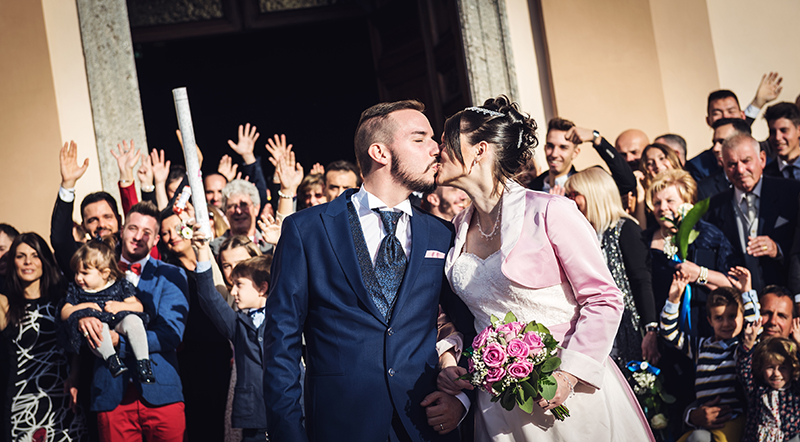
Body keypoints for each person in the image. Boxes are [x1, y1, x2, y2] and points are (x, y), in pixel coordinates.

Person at [435, 96, 653, 441]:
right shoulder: (457, 226)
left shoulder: (551, 211)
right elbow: (456, 314)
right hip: (497, 405)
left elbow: (605, 299)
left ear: (480, 150)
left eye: (447, 140)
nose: (437, 149)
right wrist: (451, 357)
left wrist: (567, 376)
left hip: (566, 394)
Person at [264, 99, 472, 441]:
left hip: (425, 423)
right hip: (340, 424)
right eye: (420, 138)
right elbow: (281, 341)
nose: (437, 148)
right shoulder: (308, 230)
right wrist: (288, 433)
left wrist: (461, 399)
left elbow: (469, 323)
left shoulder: (442, 233)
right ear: (380, 152)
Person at [76, 201, 189, 442]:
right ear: (122, 229)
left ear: (156, 239)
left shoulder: (171, 274)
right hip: (110, 394)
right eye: (133, 228)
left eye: (147, 232)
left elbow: (171, 334)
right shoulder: (95, 269)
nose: (138, 236)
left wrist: (117, 341)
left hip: (161, 392)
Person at [564, 168, 659, 366]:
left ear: (594, 194)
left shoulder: (625, 229)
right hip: (590, 327)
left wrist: (651, 329)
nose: (570, 200)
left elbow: (642, 281)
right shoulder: (580, 232)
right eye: (568, 195)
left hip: (626, 328)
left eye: (575, 194)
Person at [0, 232, 87, 441]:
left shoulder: (64, 299)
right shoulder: (5, 303)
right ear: (13, 262)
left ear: (44, 260)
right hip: (23, 401)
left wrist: (75, 375)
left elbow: (76, 347)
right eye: (20, 256)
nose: (28, 262)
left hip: (65, 399)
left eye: (34, 255)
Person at [158, 210, 232, 442]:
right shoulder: (167, 273)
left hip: (227, 353)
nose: (172, 236)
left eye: (177, 229)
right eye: (165, 233)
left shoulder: (220, 258)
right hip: (193, 361)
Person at [194, 231, 271, 442]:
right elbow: (209, 297)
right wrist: (202, 250)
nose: (233, 289)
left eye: (240, 285)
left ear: (263, 288)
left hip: (291, 409)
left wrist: (279, 240)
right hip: (253, 416)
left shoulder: (285, 316)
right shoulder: (236, 324)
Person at [705, 134, 800, 292]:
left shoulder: (791, 193)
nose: (740, 170)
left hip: (786, 297)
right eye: (732, 164)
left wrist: (777, 249)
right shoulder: (714, 207)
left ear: (762, 159)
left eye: (746, 161)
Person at [661, 285, 755, 442]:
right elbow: (669, 332)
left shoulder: (740, 349)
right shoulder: (700, 347)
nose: (726, 324)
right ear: (709, 321)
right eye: (719, 318)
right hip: (703, 420)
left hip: (733, 417)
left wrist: (746, 292)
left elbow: (754, 327)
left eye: (732, 316)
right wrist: (674, 299)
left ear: (742, 317)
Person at [60, 238, 153, 383]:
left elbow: (138, 307)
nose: (78, 278)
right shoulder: (77, 291)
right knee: (97, 326)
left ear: (104, 273)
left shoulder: (120, 285)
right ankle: (112, 360)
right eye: (76, 273)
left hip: (119, 322)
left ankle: (143, 363)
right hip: (98, 328)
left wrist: (121, 306)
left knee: (133, 320)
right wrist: (83, 306)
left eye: (84, 273)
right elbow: (64, 313)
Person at [52, 141, 122, 280]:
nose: (101, 224)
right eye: (93, 220)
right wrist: (68, 185)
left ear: (119, 220)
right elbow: (60, 240)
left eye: (107, 216)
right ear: (83, 227)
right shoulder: (80, 256)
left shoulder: (133, 248)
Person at [529, 118, 636, 196]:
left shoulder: (588, 184)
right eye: (550, 146)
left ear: (575, 153)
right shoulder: (532, 187)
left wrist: (596, 138)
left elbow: (627, 183)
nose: (554, 154)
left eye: (563, 147)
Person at [738, 332, 800, 442]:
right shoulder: (757, 389)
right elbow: (744, 371)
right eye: (770, 367)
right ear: (761, 368)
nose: (776, 373)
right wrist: (748, 346)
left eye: (783, 368)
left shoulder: (795, 390)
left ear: (792, 369)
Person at [210, 179, 273, 256]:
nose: (238, 211)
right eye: (231, 206)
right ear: (225, 212)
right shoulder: (214, 249)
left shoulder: (270, 246)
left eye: (244, 204)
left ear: (256, 208)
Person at [696, 118, 751, 200]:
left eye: (723, 142)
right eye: (714, 143)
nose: (715, 149)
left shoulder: (768, 176)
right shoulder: (704, 189)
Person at [763, 102, 800, 180]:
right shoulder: (765, 176)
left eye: (784, 130)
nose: (777, 137)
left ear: (799, 130)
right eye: (772, 132)